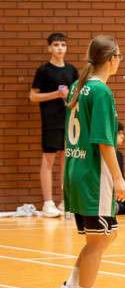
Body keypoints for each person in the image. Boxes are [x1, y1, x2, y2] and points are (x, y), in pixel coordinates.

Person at [50, 35, 125, 288]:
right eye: (120, 55)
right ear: (112, 59)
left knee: (107, 234)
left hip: (74, 170)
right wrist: (119, 179)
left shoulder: (77, 85)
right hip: (94, 175)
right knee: (99, 240)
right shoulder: (101, 92)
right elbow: (104, 141)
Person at [30, 32, 78, 218]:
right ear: (49, 47)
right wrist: (55, 94)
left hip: (69, 122)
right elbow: (33, 96)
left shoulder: (72, 70)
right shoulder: (44, 71)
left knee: (67, 162)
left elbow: (77, 95)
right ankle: (48, 203)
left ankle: (66, 201)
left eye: (63, 45)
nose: (60, 48)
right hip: (51, 121)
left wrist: (69, 98)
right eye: (56, 45)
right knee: (48, 161)